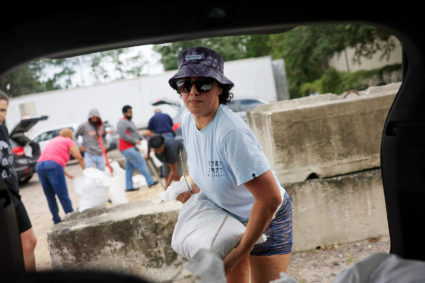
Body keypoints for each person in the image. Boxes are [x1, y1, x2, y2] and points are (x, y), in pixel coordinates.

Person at [168, 46, 293, 283]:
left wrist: (238, 253)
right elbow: (205, 168)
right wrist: (192, 186)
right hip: (230, 219)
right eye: (185, 84)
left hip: (268, 218)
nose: (193, 92)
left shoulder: (230, 133)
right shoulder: (188, 120)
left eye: (203, 84)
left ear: (220, 88)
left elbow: (270, 198)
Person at [0, 90, 37, 270]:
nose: (0, 115)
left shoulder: (3, 130)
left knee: (30, 242)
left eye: (3, 110)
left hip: (13, 195)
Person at [36, 128, 86, 224]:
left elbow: (51, 159)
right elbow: (78, 156)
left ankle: (56, 220)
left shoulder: (53, 141)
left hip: (39, 166)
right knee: (62, 194)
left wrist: (67, 175)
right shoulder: (68, 141)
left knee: (50, 196)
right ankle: (72, 217)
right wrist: (86, 171)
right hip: (53, 165)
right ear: (70, 135)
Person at [117, 105, 158, 191]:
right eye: (129, 112)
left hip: (131, 147)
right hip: (126, 148)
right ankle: (150, 181)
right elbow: (123, 135)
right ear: (124, 113)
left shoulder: (130, 122)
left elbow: (136, 133)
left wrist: (142, 139)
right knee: (141, 162)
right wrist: (134, 141)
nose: (131, 113)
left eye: (131, 112)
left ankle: (129, 187)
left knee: (129, 168)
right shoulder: (122, 122)